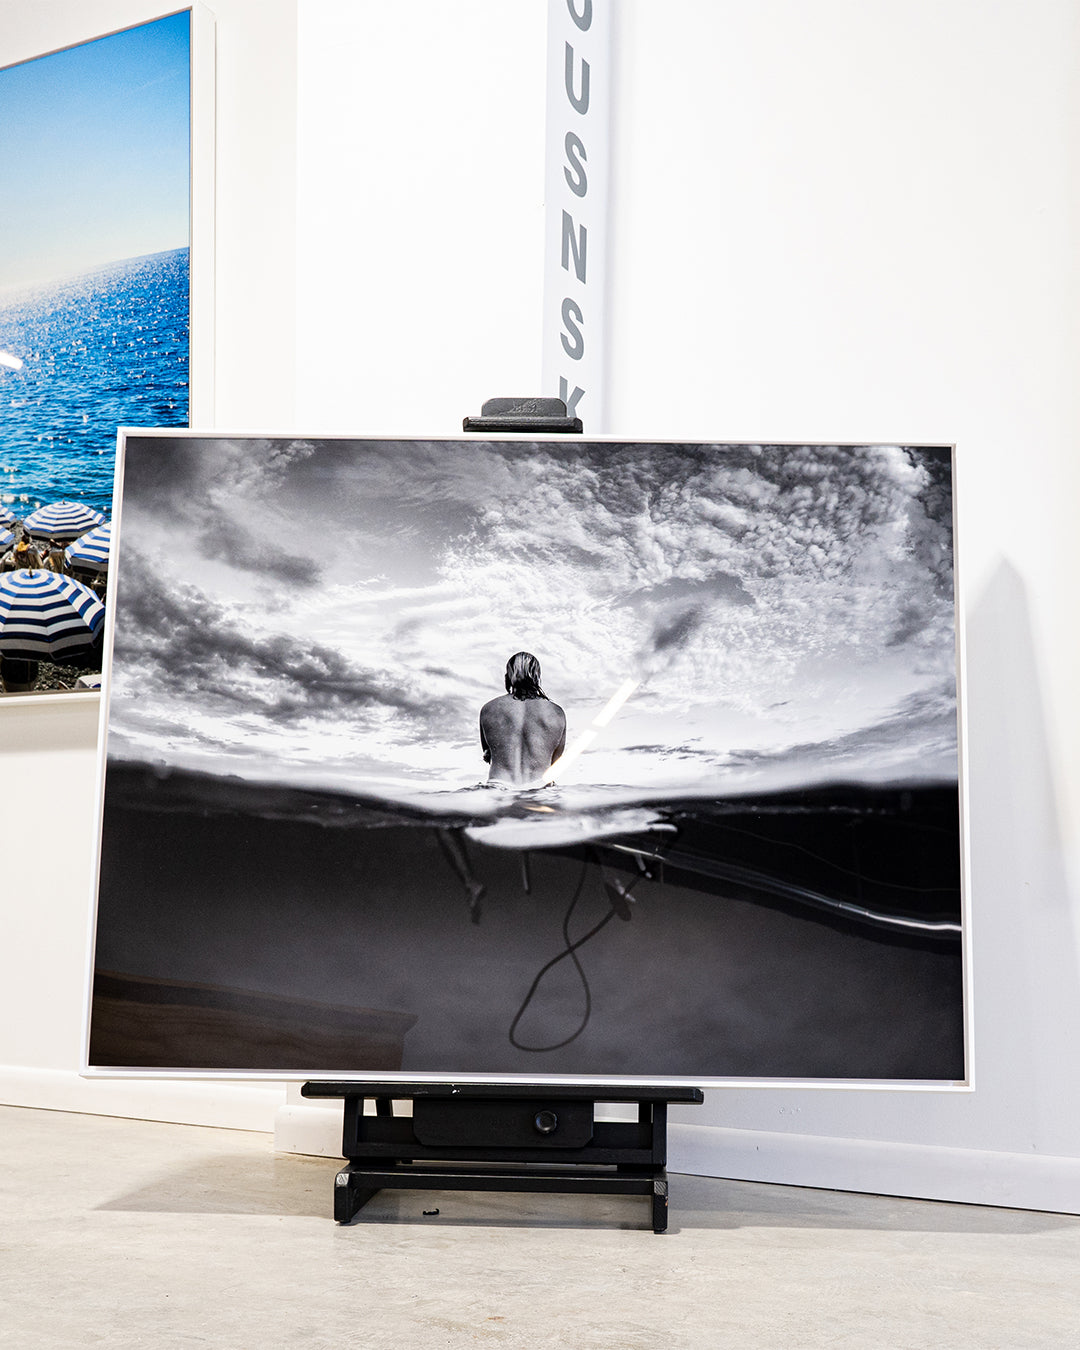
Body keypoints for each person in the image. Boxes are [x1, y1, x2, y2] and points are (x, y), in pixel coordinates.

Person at [479, 651, 566, 786]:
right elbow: (555, 763)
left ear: (508, 676)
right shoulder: (556, 712)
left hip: (499, 785)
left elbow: (487, 755)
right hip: (540, 786)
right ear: (537, 676)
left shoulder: (488, 708)